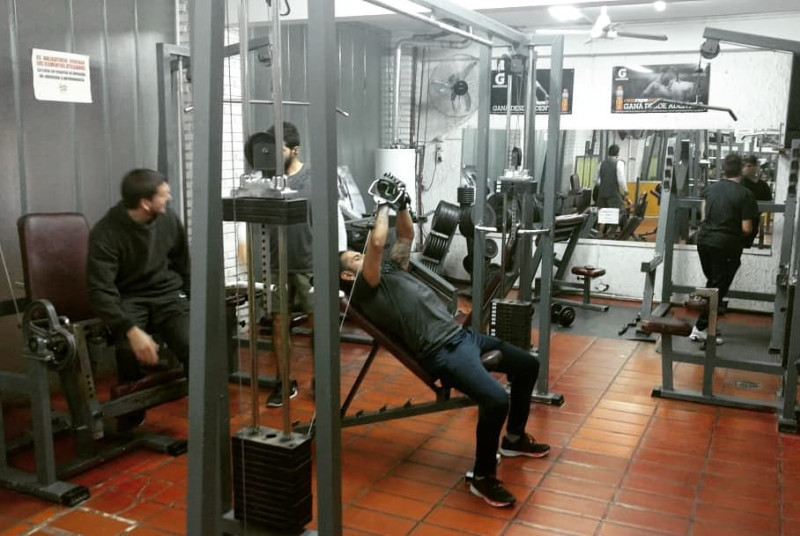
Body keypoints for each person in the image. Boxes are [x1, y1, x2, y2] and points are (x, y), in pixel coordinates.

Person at [339, 182, 549, 508]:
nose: (363, 255)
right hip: (442, 350)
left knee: (527, 365)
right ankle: (482, 478)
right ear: (348, 276)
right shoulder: (364, 289)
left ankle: (513, 438)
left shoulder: (390, 268)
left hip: (462, 336)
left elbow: (405, 235)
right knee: (496, 400)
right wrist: (381, 204)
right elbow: (377, 242)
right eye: (355, 258)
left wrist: (402, 203)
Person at [243, 122, 348, 407]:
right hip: (277, 264)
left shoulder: (316, 178)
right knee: (279, 324)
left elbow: (336, 218)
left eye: (279, 150)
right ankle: (283, 381)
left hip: (312, 263)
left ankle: (322, 379)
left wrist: (338, 257)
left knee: (319, 325)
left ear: (295, 150)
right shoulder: (267, 181)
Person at [87, 169, 190, 430]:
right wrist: (130, 330)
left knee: (193, 345)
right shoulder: (106, 233)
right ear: (145, 203)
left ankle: (202, 412)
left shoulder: (168, 219)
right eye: (164, 195)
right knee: (126, 349)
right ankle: (132, 412)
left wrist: (195, 305)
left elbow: (184, 265)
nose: (169, 198)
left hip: (168, 295)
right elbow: (100, 290)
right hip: (130, 297)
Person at [690, 154, 759, 344]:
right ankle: (700, 328)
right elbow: (747, 228)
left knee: (713, 283)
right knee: (717, 287)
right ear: (741, 170)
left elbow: (704, 217)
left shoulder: (710, 189)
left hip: (703, 242)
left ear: (724, 169)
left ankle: (707, 326)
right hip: (725, 245)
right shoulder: (745, 194)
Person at [595, 144, 630, 237]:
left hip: (602, 194)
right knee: (619, 212)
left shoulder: (601, 164)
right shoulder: (619, 163)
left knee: (602, 215)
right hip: (614, 194)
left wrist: (604, 185)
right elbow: (621, 180)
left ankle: (600, 233)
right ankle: (611, 233)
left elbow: (596, 180)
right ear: (617, 154)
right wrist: (626, 192)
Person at [741, 154, 772, 247]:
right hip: (736, 221)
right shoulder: (738, 183)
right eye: (743, 166)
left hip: (753, 221)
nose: (745, 168)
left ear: (756, 167)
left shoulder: (762, 185)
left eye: (749, 166)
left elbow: (768, 204)